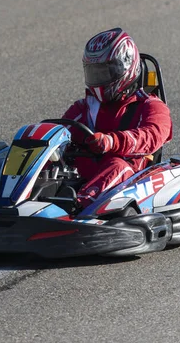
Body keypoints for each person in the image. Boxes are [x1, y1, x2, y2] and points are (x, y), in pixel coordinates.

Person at [62, 28, 173, 209]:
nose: (99, 79)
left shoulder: (151, 106)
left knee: (116, 165)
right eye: (94, 73)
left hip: (131, 176)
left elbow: (151, 136)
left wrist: (111, 141)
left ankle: (78, 207)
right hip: (88, 171)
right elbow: (60, 129)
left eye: (104, 73)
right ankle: (18, 200)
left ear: (125, 67)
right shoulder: (86, 106)